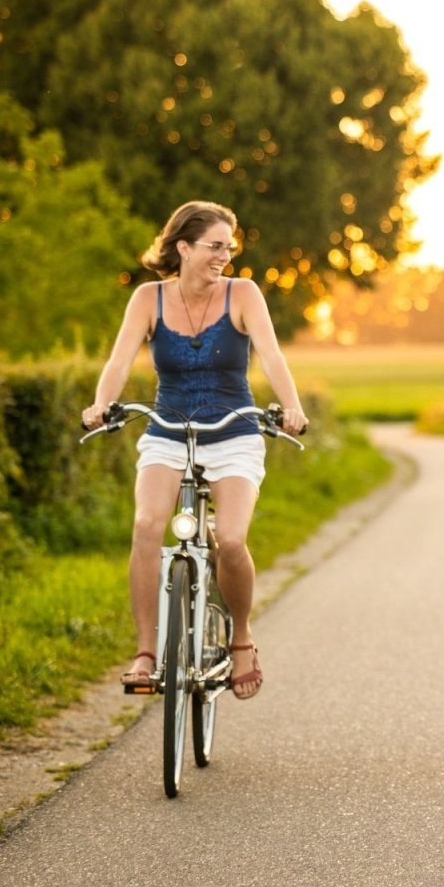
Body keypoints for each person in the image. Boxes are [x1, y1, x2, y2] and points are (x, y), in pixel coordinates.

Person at [82, 201, 309, 701]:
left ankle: (242, 638)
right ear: (183, 247)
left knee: (230, 539)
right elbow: (120, 359)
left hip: (234, 433)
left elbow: (271, 356)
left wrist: (291, 408)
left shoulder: (243, 294)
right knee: (146, 525)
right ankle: (146, 651)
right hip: (168, 431)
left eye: (229, 246)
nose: (224, 255)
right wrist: (102, 405)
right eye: (214, 246)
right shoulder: (148, 299)